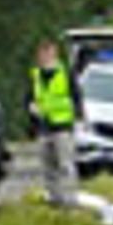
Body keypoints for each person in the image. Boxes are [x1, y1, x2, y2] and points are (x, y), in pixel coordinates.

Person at [28, 37, 78, 209]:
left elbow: (75, 96)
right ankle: (54, 199)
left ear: (54, 54)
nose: (44, 58)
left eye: (47, 53)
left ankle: (69, 201)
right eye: (41, 54)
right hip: (43, 126)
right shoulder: (35, 75)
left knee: (65, 165)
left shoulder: (65, 73)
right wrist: (32, 115)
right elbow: (30, 98)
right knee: (48, 166)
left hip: (62, 126)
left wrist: (77, 119)